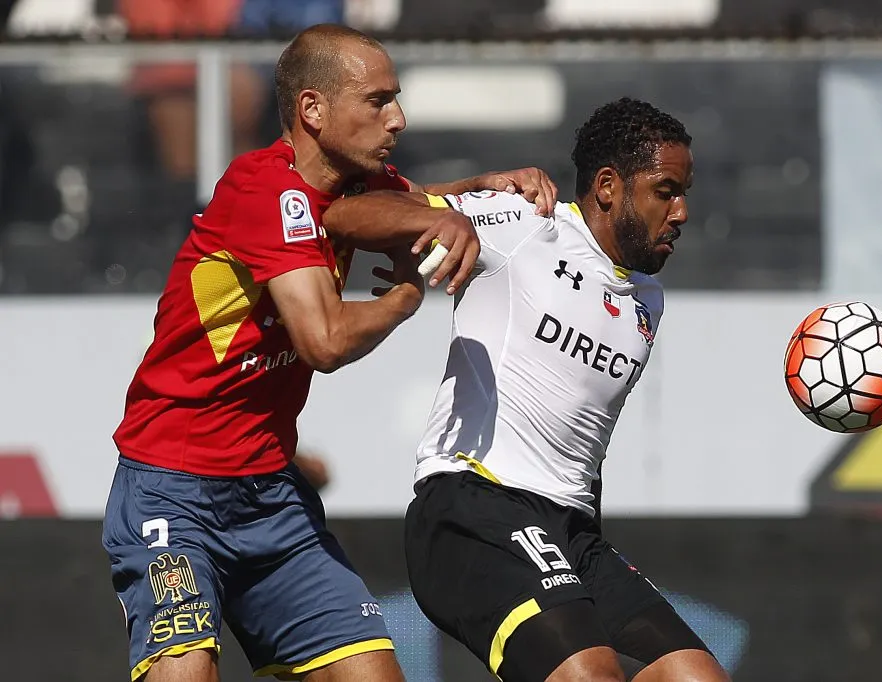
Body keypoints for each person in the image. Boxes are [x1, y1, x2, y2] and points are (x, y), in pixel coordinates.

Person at [101, 24, 557, 682]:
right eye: (378, 101)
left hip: (272, 498)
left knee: (373, 674)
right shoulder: (266, 190)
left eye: (396, 98)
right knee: (185, 671)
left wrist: (487, 184)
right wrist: (402, 300)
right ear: (312, 110)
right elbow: (323, 342)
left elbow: (414, 204)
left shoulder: (350, 185)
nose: (397, 118)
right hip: (173, 495)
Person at [327, 98, 732, 682]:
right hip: (472, 505)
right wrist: (443, 216)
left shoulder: (649, 300)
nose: (682, 212)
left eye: (684, 193)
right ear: (609, 186)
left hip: (572, 531)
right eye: (665, 190)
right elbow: (346, 214)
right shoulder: (522, 223)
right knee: (590, 675)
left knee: (697, 677)